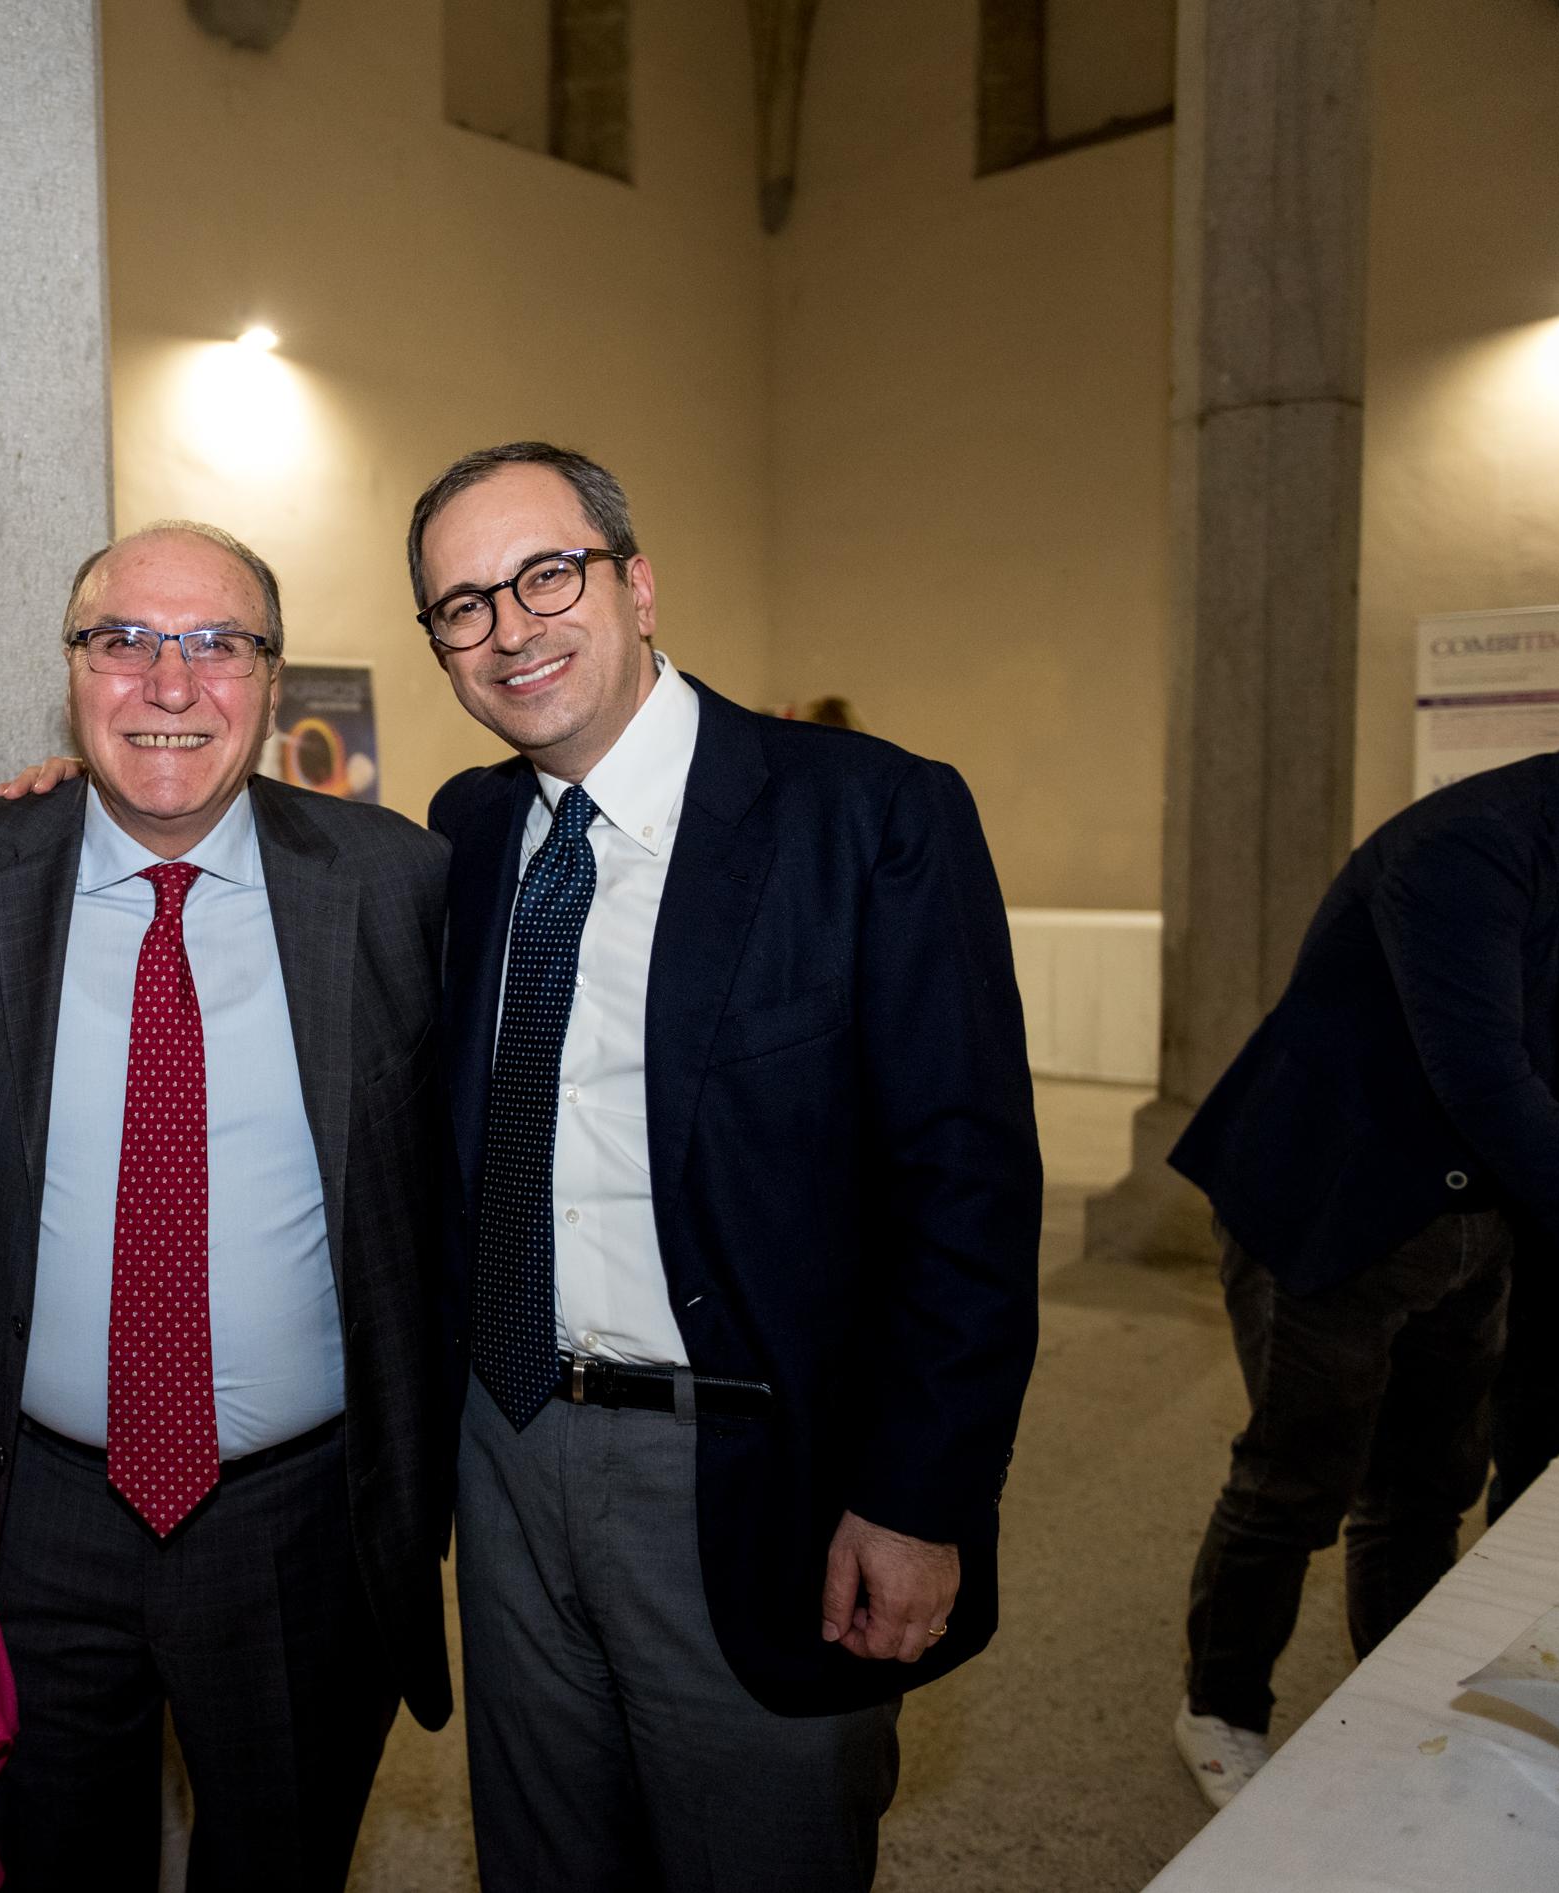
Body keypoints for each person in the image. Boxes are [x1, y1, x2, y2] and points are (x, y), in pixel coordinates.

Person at [416, 442, 1040, 1890]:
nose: (509, 628)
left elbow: (965, 1189)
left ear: (637, 584)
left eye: (546, 575)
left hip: (757, 1468)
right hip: (505, 1446)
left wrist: (919, 1497)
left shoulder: (865, 814)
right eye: (462, 605)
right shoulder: (464, 833)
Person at [0, 522, 452, 1890]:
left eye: (216, 644)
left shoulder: (395, 882)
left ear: (272, 678)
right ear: (72, 672)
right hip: (31, 1514)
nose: (168, 683)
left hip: (301, 1522)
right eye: (124, 641)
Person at [1165, 747, 1559, 1807]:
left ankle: (1394, 1694)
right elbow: (1483, 1074)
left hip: (1475, 1213)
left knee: (1427, 1484)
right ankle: (1218, 1706)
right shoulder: (1467, 844)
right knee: (1298, 1478)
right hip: (1331, 1198)